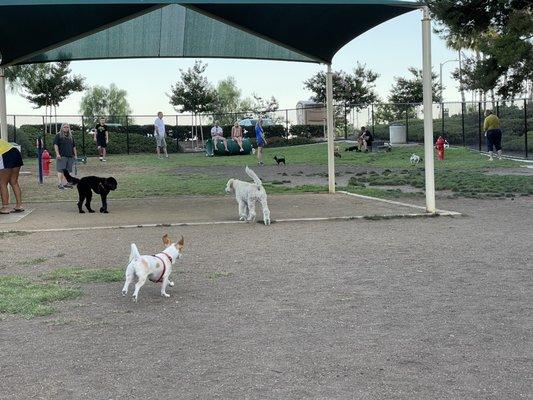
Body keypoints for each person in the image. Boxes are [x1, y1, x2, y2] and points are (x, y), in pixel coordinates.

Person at [0, 139, 24, 214]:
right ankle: (19, 205)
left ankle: (5, 207)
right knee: (14, 182)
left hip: (5, 154)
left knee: (2, 183)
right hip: (15, 152)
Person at [53, 123, 77, 190]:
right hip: (62, 156)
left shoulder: (71, 137)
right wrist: (57, 154)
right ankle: (60, 184)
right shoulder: (58, 135)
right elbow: (55, 145)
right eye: (64, 127)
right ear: (62, 128)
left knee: (69, 171)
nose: (66, 128)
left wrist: (75, 155)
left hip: (70, 156)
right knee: (60, 170)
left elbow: (74, 147)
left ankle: (67, 183)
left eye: (67, 127)